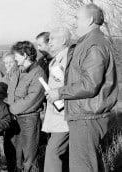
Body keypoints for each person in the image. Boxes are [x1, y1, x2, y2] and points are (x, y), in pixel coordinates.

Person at [45, 4, 118, 172]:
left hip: (87, 117)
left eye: (77, 18)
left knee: (82, 167)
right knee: (87, 164)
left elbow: (90, 85)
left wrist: (60, 92)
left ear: (90, 19)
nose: (75, 22)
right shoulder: (88, 43)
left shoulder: (94, 45)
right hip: (84, 115)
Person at [5, 41, 47, 172]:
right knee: (14, 153)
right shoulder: (16, 70)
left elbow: (32, 99)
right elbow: (9, 90)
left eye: (17, 55)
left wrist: (11, 109)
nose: (15, 58)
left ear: (26, 55)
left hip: (28, 119)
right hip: (13, 119)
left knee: (29, 155)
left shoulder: (38, 73)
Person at [41, 27, 72, 172]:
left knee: (53, 152)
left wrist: (57, 93)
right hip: (56, 115)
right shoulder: (56, 60)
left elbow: (71, 86)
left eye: (53, 38)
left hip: (64, 116)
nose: (49, 41)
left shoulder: (68, 59)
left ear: (64, 40)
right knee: (59, 154)